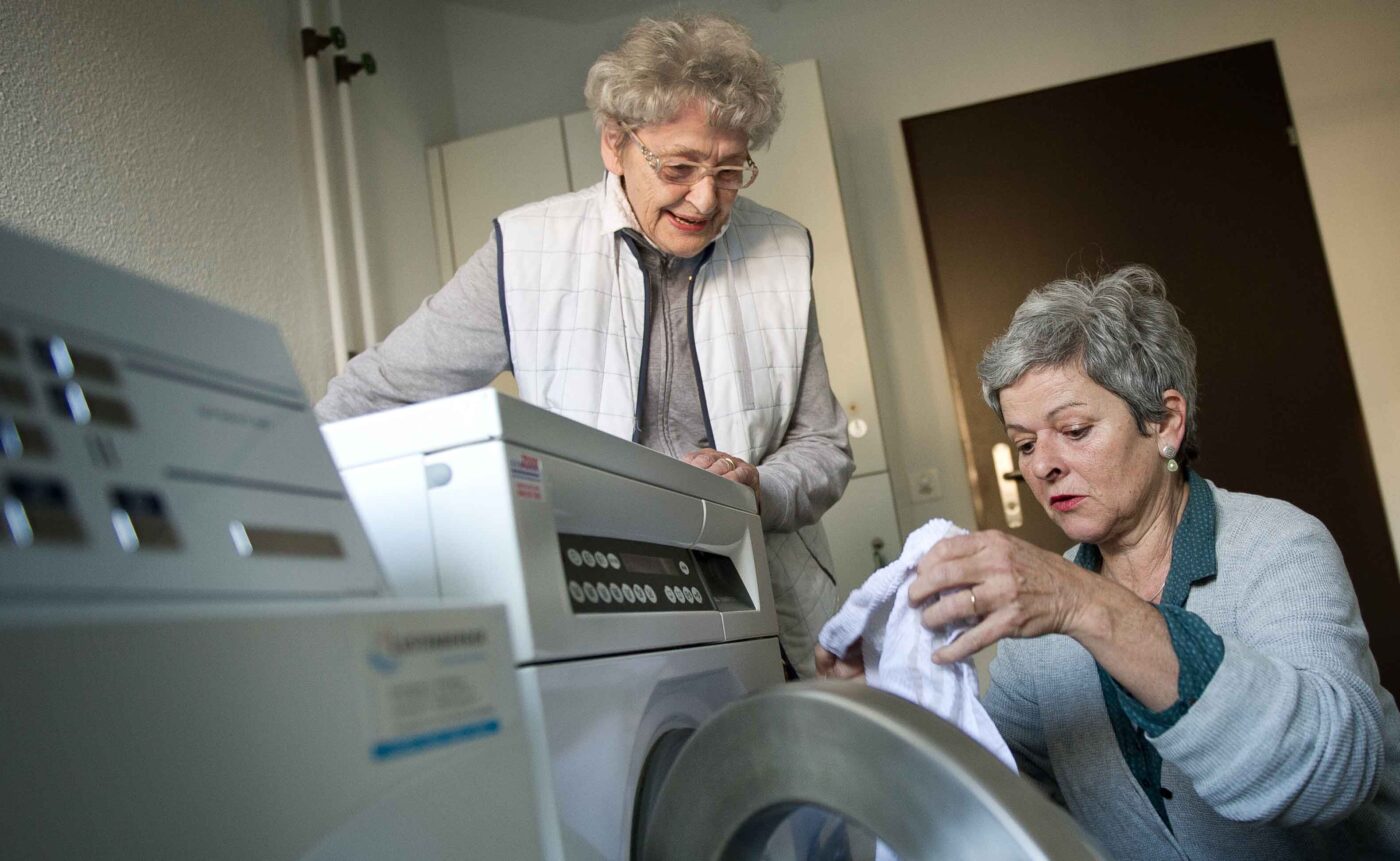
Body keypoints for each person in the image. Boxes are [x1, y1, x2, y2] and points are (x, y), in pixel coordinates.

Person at [316, 12, 853, 678]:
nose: (706, 198)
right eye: (679, 166)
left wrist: (760, 487)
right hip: (605, 603)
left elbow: (825, 446)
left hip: (770, 607)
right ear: (613, 144)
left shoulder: (782, 250)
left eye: (731, 170)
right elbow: (375, 396)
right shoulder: (526, 252)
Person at [817, 265, 1400, 858]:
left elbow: (1334, 771)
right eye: (1024, 443)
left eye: (1073, 429)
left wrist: (1083, 602)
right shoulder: (1033, 638)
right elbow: (1002, 804)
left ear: (1166, 423)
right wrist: (895, 709)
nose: (1043, 464)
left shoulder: (1279, 546)